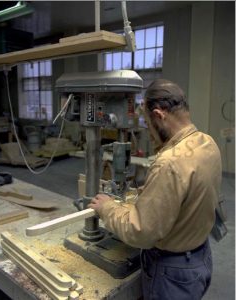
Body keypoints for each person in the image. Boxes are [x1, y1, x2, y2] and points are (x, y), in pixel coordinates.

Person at [89, 79, 222, 300]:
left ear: (159, 115)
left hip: (172, 271)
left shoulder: (169, 163)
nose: (150, 134)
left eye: (149, 126)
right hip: (200, 257)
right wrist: (154, 192)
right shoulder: (207, 142)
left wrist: (107, 208)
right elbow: (191, 193)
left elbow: (140, 232)